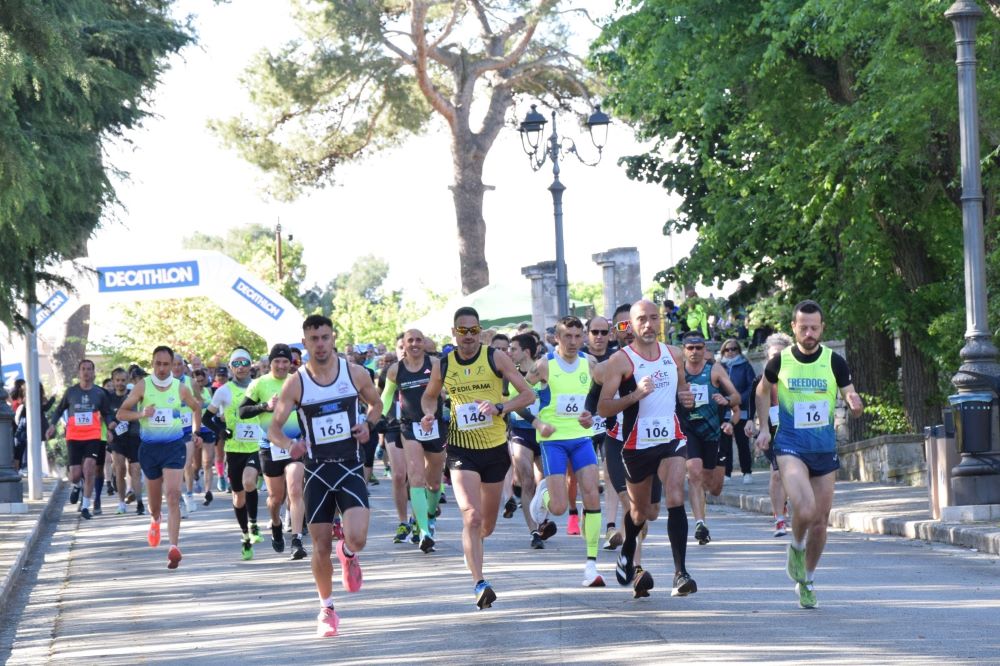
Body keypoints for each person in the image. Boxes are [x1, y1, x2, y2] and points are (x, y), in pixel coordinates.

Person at [267, 314, 382, 637]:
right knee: (318, 545)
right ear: (304, 344)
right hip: (316, 471)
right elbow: (274, 428)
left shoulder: (354, 373)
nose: (320, 344)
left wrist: (367, 425)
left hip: (348, 466)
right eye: (314, 339)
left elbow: (376, 405)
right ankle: (327, 608)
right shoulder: (297, 382)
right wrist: (290, 444)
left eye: (325, 338)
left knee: (357, 536)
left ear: (333, 339)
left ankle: (347, 553)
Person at [419, 306, 537, 609]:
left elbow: (528, 395)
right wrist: (430, 414)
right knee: (470, 516)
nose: (468, 336)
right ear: (454, 332)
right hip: (460, 449)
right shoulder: (443, 365)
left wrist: (501, 408)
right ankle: (478, 582)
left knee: (486, 526)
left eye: (473, 330)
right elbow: (429, 396)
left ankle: (472, 549)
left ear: (479, 331)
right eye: (462, 330)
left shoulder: (495, 357)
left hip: (495, 448)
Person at [753, 300, 863, 609]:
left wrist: (855, 403)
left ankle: (808, 579)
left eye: (814, 327)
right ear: (794, 328)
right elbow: (761, 390)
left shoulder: (834, 361)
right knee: (804, 509)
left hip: (823, 449)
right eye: (803, 328)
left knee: (820, 521)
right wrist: (764, 428)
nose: (809, 333)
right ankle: (796, 547)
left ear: (822, 328)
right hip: (790, 446)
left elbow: (849, 393)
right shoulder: (781, 361)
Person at [598, 300, 697, 599]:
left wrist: (687, 400)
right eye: (642, 319)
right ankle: (628, 550)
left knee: (676, 495)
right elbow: (604, 407)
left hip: (671, 438)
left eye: (655, 318)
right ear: (632, 323)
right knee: (644, 512)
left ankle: (680, 573)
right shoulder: (621, 361)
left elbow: (682, 392)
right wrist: (635, 395)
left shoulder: (674, 354)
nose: (649, 325)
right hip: (636, 445)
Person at [526, 316, 605, 587]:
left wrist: (591, 413)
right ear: (556, 338)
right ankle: (545, 493)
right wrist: (537, 422)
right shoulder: (544, 365)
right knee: (559, 507)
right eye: (567, 336)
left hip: (582, 437)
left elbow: (599, 396)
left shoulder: (590, 363)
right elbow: (519, 395)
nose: (573, 342)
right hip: (554, 440)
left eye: (577, 336)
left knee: (592, 493)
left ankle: (591, 565)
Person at [116, 345, 204, 568]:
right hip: (150, 449)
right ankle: (155, 520)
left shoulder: (181, 388)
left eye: (167, 364)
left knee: (173, 494)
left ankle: (173, 547)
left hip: (174, 447)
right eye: (158, 364)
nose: (163, 368)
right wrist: (141, 413)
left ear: (173, 364)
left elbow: (196, 407)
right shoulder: (142, 386)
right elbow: (121, 413)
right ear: (153, 363)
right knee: (155, 505)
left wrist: (195, 432)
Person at [239, 343, 307, 560]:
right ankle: (276, 524)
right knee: (275, 498)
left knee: (296, 488)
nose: (280, 365)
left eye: (285, 361)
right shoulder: (259, 384)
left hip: (295, 444)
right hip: (269, 447)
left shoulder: (298, 382)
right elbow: (242, 411)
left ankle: (296, 539)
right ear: (270, 363)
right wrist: (264, 407)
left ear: (291, 363)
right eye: (276, 361)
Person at [383, 329, 446, 553]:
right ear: (404, 345)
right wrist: (377, 419)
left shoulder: (436, 364)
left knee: (435, 483)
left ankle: (429, 515)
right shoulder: (395, 370)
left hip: (435, 425)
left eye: (419, 340)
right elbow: (385, 397)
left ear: (424, 343)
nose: (415, 344)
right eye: (410, 341)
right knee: (416, 477)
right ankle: (424, 532)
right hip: (409, 427)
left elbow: (447, 389)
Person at [678, 330, 741, 546]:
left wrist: (725, 399)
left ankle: (702, 507)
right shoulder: (678, 372)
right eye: (690, 348)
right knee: (694, 473)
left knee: (713, 486)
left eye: (698, 348)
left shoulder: (713, 369)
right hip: (688, 429)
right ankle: (700, 523)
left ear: (705, 350)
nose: (694, 352)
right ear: (683, 351)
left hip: (713, 432)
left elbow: (736, 397)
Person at [205, 348, 264, 561]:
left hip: (256, 447)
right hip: (233, 450)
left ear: (251, 366)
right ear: (231, 367)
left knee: (250, 482)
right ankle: (245, 536)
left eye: (244, 363)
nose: (241, 367)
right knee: (238, 497)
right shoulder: (223, 391)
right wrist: (221, 431)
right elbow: (206, 419)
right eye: (236, 364)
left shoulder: (259, 386)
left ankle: (254, 524)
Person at [48, 359, 118, 519]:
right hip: (74, 436)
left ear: (93, 372)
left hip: (93, 435)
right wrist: (52, 425)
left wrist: (109, 428)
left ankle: (86, 506)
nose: (86, 372)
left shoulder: (99, 393)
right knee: (75, 474)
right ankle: (76, 485)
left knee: (89, 468)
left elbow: (107, 413)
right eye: (83, 369)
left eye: (89, 369)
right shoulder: (71, 392)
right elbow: (59, 410)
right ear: (79, 372)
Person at [503, 333, 549, 549]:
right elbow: (507, 401)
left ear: (526, 352)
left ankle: (541, 517)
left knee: (546, 481)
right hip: (520, 431)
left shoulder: (544, 371)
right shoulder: (510, 374)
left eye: (513, 349)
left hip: (545, 433)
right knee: (527, 479)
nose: (509, 352)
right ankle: (534, 532)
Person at [746, 333, 794, 536]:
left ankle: (789, 503)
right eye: (773, 354)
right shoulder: (761, 379)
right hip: (771, 432)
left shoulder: (796, 376)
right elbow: (752, 398)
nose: (777, 359)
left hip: (795, 430)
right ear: (767, 356)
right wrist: (750, 420)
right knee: (776, 474)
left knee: (794, 475)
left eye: (781, 354)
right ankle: (779, 519)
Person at [719, 338, 757, 483]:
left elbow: (752, 386)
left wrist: (739, 398)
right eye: (727, 349)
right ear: (723, 351)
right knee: (725, 443)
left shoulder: (745, 366)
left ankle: (747, 472)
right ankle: (726, 473)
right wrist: (724, 400)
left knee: (742, 442)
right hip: (724, 410)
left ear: (739, 350)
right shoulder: (720, 367)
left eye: (734, 349)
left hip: (741, 409)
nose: (730, 352)